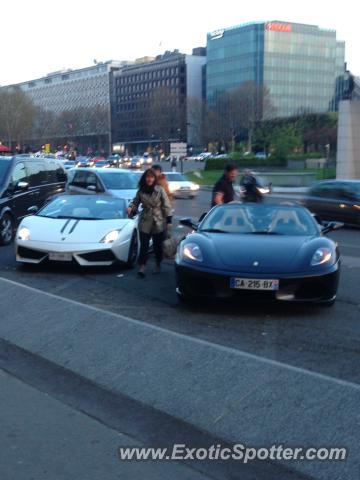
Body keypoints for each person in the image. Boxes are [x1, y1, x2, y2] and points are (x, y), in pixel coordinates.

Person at [128, 169, 172, 278]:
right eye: (148, 177)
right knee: (144, 245)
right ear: (145, 178)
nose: (149, 179)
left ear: (154, 178)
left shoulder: (160, 190)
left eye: (152, 177)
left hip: (158, 220)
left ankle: (158, 263)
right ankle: (142, 267)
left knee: (157, 245)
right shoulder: (141, 191)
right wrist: (130, 208)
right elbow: (135, 202)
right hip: (145, 220)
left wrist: (169, 221)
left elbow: (166, 205)